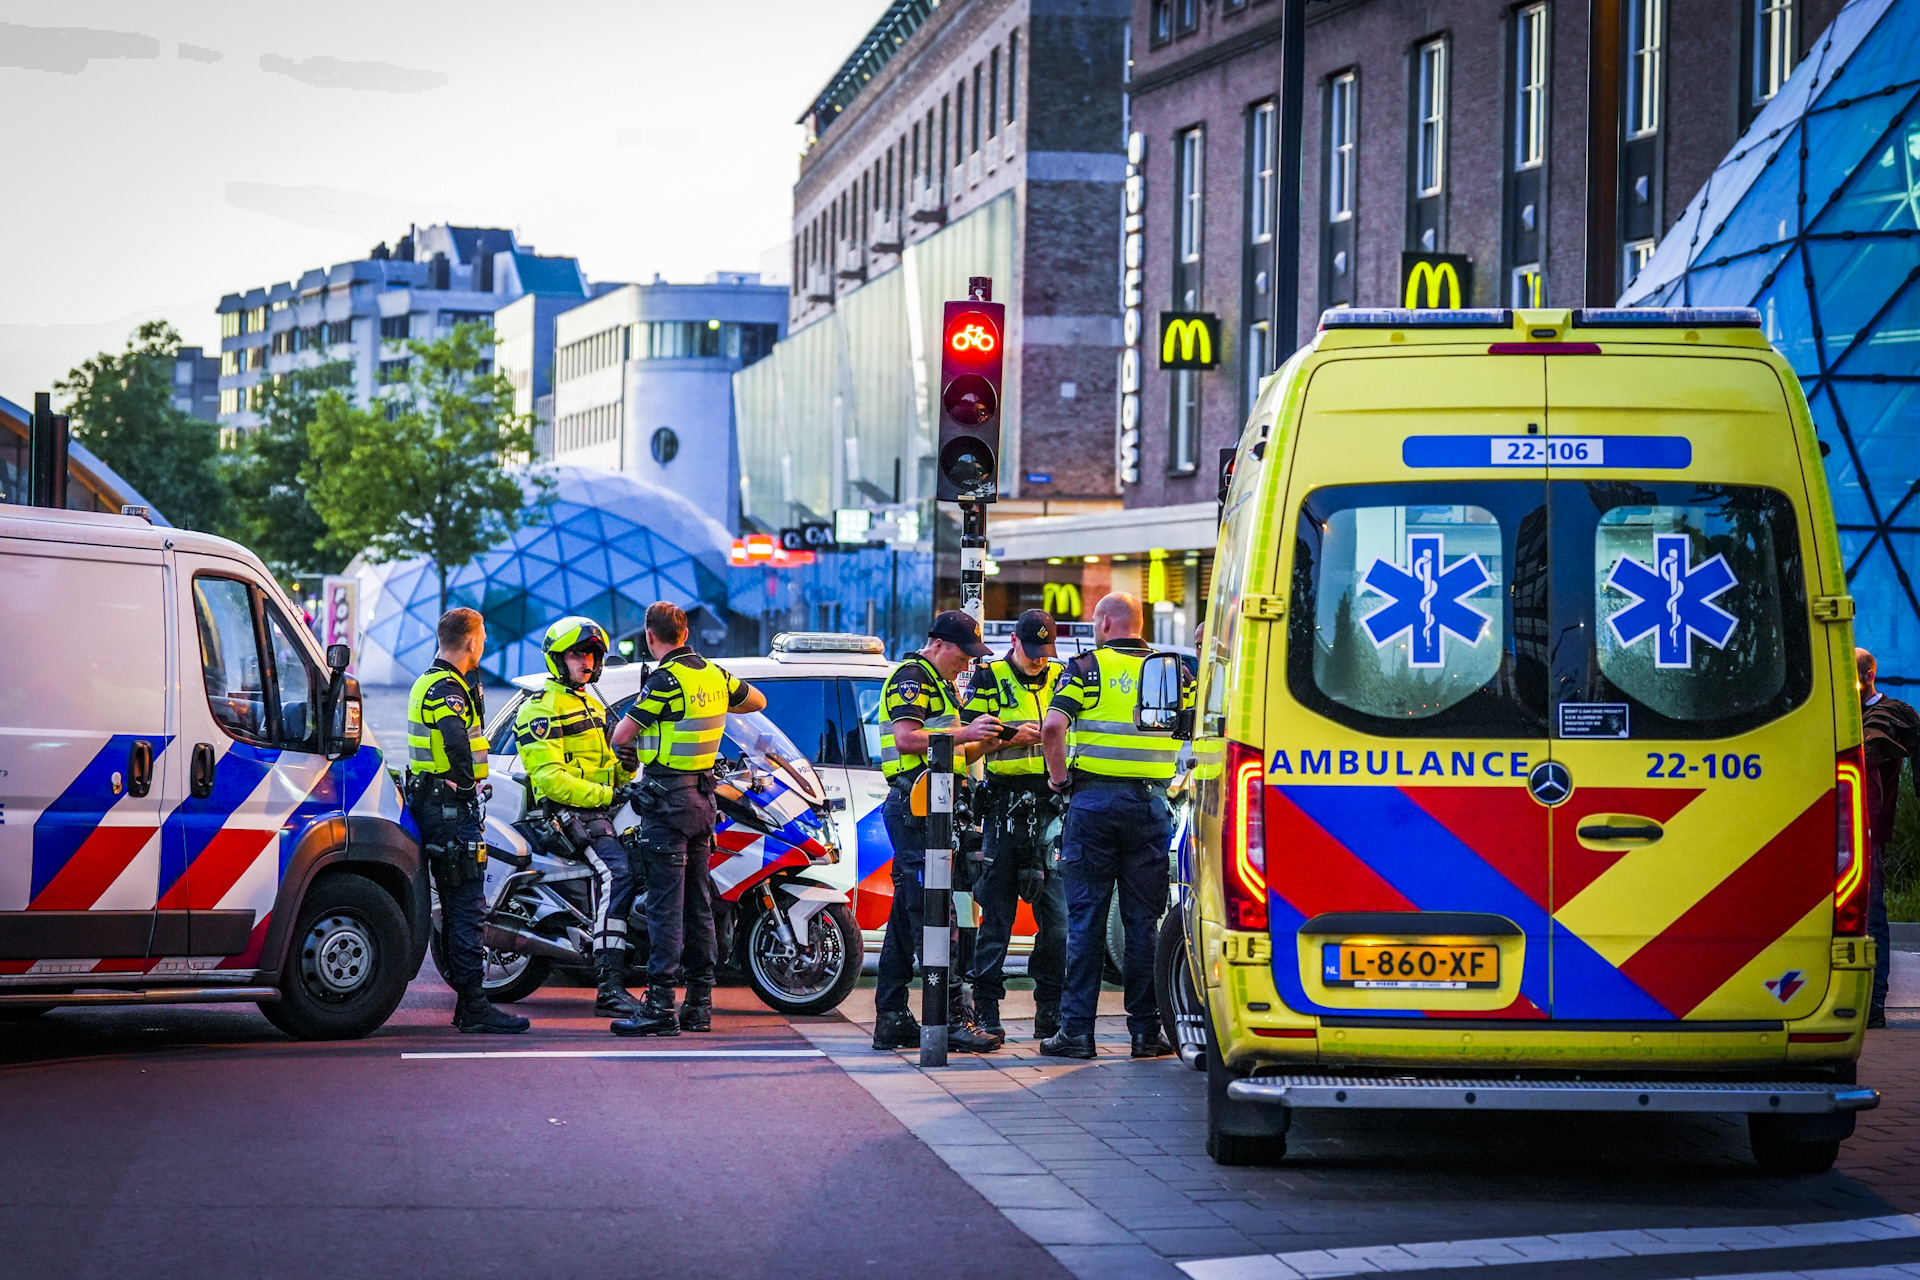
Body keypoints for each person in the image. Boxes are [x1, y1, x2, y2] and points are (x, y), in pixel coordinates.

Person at [605, 603, 765, 1036]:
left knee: (664, 907)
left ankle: (659, 1005)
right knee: (699, 904)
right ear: (685, 630)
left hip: (666, 802)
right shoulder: (714, 674)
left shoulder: (664, 679)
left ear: (649, 636)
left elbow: (622, 734)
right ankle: (699, 1004)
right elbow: (757, 700)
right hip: (703, 801)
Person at [1040, 592, 1180, 1060]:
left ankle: (1076, 1032)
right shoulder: (1172, 671)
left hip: (1093, 805)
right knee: (1143, 926)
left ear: (1103, 622)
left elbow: (1052, 728)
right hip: (1150, 805)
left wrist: (1059, 781)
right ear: (1139, 624)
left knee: (1086, 922)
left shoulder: (1083, 670)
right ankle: (1145, 1033)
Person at [870, 611, 1006, 1053]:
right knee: (935, 916)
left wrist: (999, 739)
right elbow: (909, 739)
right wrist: (967, 730)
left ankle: (892, 1016)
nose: (967, 666)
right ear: (940, 644)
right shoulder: (913, 676)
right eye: (963, 656)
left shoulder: (940, 683)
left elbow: (955, 751)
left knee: (907, 920)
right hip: (915, 809)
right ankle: (947, 1019)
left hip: (933, 806)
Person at [405, 608, 528, 1034]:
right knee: (465, 908)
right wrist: (464, 786)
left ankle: (470, 1003)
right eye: (483, 637)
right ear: (471, 641)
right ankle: (474, 1005)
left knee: (461, 906)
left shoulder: (433, 681)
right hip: (450, 810)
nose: (485, 644)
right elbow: (457, 742)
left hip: (436, 805)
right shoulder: (446, 688)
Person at [515, 616, 643, 1019]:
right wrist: (608, 792)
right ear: (557, 658)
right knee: (616, 873)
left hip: (599, 810)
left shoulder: (592, 702)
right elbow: (550, 779)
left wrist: (627, 766)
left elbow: (609, 766)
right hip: (566, 814)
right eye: (577, 654)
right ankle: (608, 986)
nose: (586, 661)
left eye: (592, 654)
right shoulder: (540, 708)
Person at [963, 609, 1068, 1041]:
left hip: (1052, 804)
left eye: (1046, 653)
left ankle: (1050, 1009)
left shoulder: (1064, 674)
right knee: (997, 916)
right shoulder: (989, 677)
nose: (1039, 661)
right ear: (1013, 641)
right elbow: (968, 738)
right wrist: (1011, 735)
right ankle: (986, 1008)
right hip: (1005, 805)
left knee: (1058, 917)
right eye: (1032, 652)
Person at [1859, 647, 1918, 1027]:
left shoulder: (1885, 715)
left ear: (1868, 676)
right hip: (1840, 833)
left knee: (1874, 915)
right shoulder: (1847, 715)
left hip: (1870, 834)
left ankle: (1876, 1003)